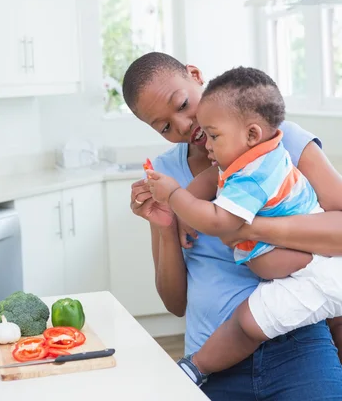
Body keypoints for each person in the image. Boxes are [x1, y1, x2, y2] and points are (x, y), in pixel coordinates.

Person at [123, 52, 342, 401]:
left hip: (296, 345)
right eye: (164, 126)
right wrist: (166, 226)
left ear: (195, 75)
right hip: (211, 356)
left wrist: (251, 230)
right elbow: (175, 303)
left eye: (181, 104)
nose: (182, 126)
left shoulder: (276, 140)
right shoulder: (166, 178)